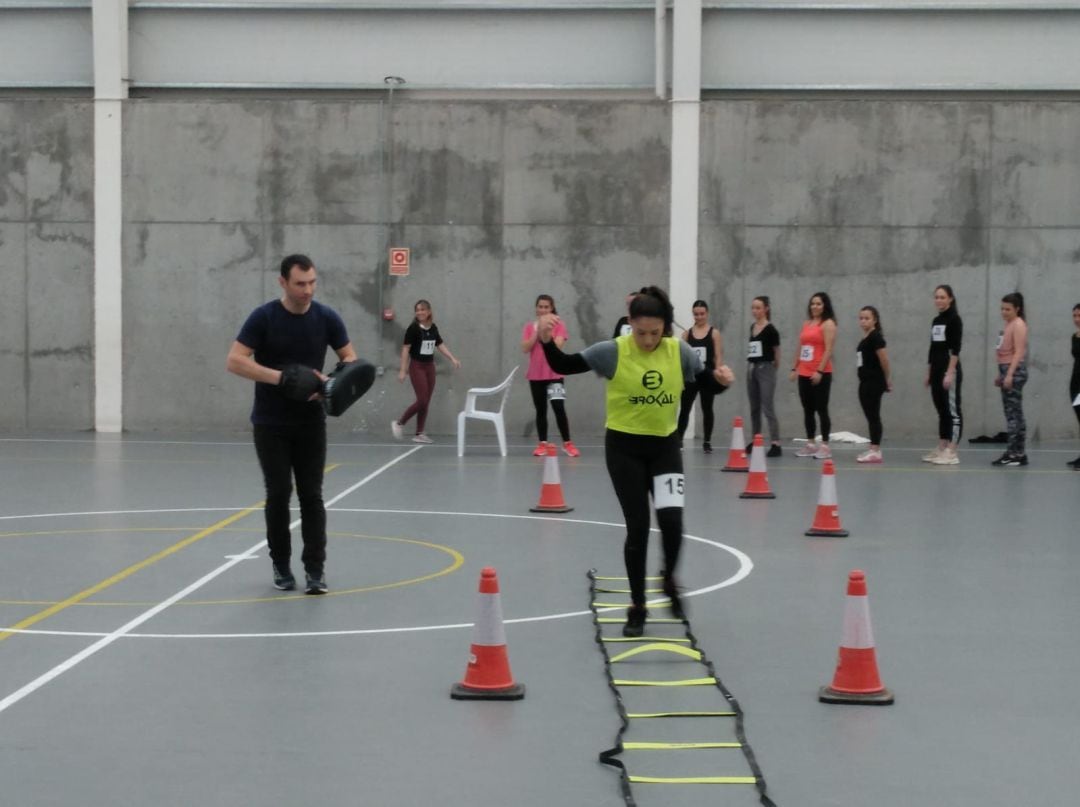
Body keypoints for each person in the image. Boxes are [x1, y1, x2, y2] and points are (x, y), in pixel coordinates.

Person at [535, 286, 731, 637]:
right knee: (638, 527)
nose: (647, 340)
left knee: (673, 522)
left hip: (665, 448)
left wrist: (722, 381)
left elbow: (707, 384)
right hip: (624, 449)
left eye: (655, 333)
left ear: (666, 329)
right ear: (630, 324)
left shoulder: (679, 352)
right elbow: (563, 364)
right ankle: (638, 605)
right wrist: (547, 340)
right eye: (641, 332)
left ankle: (669, 578)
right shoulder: (613, 351)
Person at [226, 254, 357, 595]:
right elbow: (235, 361)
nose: (308, 290)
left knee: (312, 496)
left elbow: (351, 360)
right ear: (283, 282)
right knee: (279, 494)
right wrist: (280, 378)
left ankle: (315, 570)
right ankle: (281, 565)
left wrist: (330, 385)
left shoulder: (327, 317)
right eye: (300, 283)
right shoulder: (264, 317)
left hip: (310, 423)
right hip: (270, 423)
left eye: (312, 282)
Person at [391, 299, 461, 444]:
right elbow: (405, 349)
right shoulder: (413, 328)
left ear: (429, 311)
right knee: (422, 400)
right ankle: (399, 423)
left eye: (422, 309)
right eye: (417, 310)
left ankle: (419, 433)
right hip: (417, 367)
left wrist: (452, 358)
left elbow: (440, 344)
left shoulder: (433, 327)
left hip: (430, 367)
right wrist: (403, 370)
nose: (420, 312)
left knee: (426, 402)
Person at [521, 294, 579, 457]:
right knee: (541, 410)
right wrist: (537, 331)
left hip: (554, 375)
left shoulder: (559, 325)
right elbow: (525, 348)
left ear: (552, 308)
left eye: (546, 307)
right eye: (540, 306)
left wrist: (547, 331)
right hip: (535, 376)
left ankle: (567, 443)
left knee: (558, 408)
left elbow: (558, 345)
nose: (543, 309)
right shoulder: (528, 327)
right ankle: (542, 444)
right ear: (536, 308)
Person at [790, 292, 837, 459]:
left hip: (820, 373)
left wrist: (819, 371)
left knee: (821, 409)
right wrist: (795, 368)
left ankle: (824, 445)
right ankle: (810, 443)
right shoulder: (807, 324)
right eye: (812, 304)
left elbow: (829, 349)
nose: (814, 307)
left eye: (818, 304)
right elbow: (801, 347)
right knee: (807, 409)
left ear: (825, 306)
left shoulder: (828, 324)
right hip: (804, 371)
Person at [676, 300, 724, 453]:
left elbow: (718, 355)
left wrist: (718, 374)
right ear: (693, 314)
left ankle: (707, 442)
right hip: (691, 377)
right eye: (696, 314)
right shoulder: (687, 334)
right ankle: (679, 441)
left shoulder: (714, 333)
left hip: (707, 376)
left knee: (707, 408)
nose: (699, 317)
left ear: (707, 314)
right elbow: (682, 358)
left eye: (702, 314)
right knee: (685, 408)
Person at [924, 284, 963, 465]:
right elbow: (933, 348)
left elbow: (955, 349)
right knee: (942, 410)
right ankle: (942, 446)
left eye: (942, 297)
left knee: (953, 411)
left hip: (949, 370)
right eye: (936, 297)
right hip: (937, 370)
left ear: (950, 299)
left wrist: (950, 372)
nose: (939, 300)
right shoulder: (936, 320)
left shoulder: (955, 319)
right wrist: (929, 372)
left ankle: (952, 451)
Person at [991, 292, 1029, 467]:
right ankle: (1017, 451)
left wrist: (1010, 374)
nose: (1004, 312)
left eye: (1008, 309)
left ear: (1017, 309)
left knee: (1013, 415)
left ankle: (1015, 453)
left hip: (1013, 370)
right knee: (1012, 413)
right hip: (1006, 369)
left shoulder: (1018, 325)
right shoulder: (1008, 325)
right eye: (1002, 309)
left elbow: (1019, 352)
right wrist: (1002, 375)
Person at [746, 295, 782, 457]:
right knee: (754, 407)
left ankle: (775, 443)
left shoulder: (771, 330)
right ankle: (756, 439)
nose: (755, 311)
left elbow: (777, 353)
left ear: (766, 309)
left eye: (758, 308)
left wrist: (771, 368)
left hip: (766, 368)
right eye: (753, 308)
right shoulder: (752, 327)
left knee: (767, 406)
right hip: (752, 368)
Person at [855, 306, 891, 463]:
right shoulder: (866, 338)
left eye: (867, 318)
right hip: (865, 381)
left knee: (874, 416)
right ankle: (872, 448)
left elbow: (884, 360)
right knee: (870, 416)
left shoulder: (876, 337)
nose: (863, 321)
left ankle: (876, 450)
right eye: (861, 318)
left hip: (874, 382)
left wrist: (886, 379)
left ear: (875, 320)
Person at [1070, 303, 1080, 469]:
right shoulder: (1075, 336)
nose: (1077, 319)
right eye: (1075, 316)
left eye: (1079, 316)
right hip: (1075, 383)